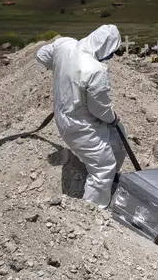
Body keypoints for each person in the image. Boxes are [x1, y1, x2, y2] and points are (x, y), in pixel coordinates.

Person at [36, 24, 126, 209]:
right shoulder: (96, 70)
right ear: (105, 47)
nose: (110, 57)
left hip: (64, 115)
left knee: (119, 137)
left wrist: (60, 71)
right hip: (80, 125)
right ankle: (92, 211)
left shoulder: (64, 45)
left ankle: (112, 179)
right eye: (111, 52)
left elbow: (41, 55)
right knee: (103, 167)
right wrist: (112, 118)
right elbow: (99, 109)